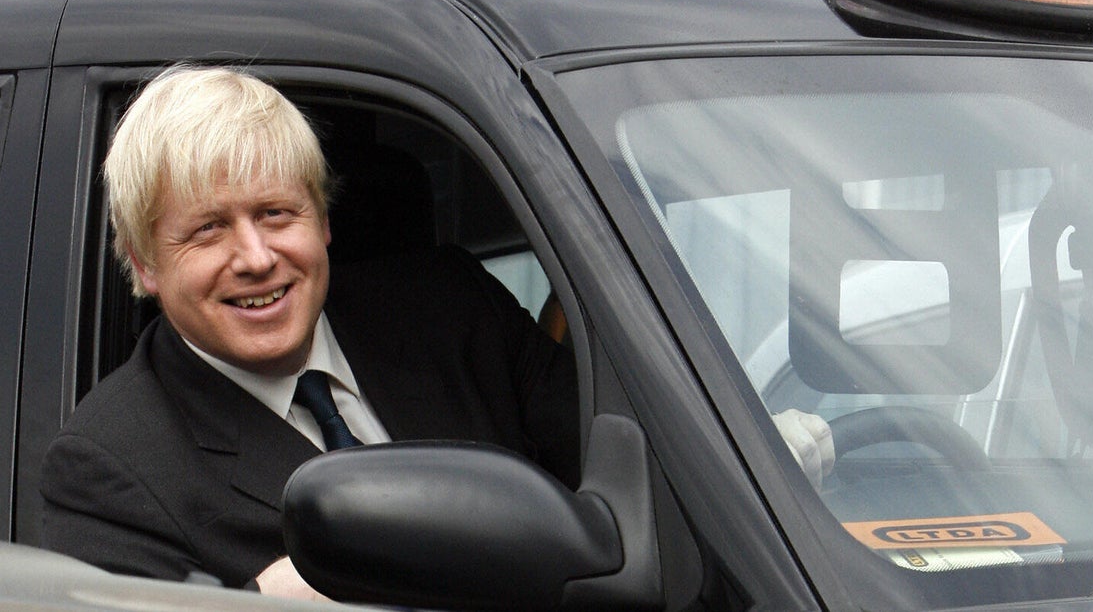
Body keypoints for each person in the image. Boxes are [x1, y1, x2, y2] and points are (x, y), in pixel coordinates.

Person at [39, 65, 830, 600]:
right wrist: (258, 603)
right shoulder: (107, 468)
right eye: (208, 231)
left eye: (278, 214)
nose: (256, 257)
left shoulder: (448, 311)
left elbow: (631, 464)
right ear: (144, 264)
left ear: (321, 220)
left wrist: (751, 460)